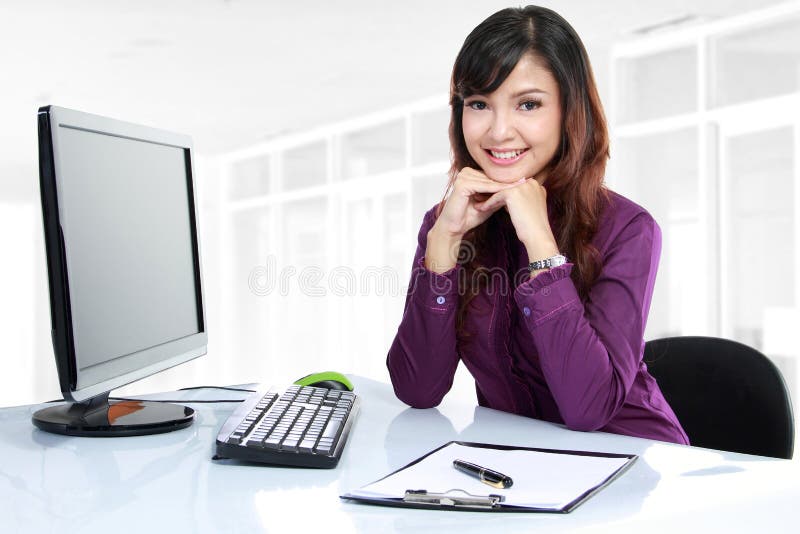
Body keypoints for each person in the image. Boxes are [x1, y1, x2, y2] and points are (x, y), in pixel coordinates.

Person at [386, 5, 689, 445]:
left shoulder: (628, 229)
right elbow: (418, 389)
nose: (498, 131)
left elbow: (590, 409)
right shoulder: (447, 224)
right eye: (479, 104)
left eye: (528, 104)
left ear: (570, 110)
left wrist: (541, 245)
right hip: (519, 468)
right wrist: (444, 242)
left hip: (629, 461)